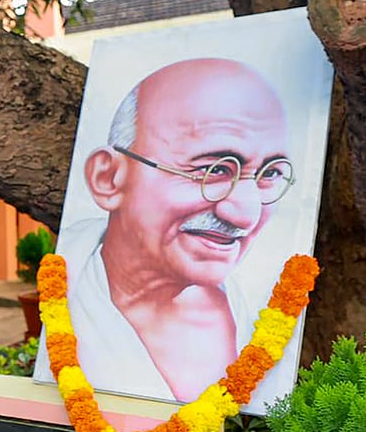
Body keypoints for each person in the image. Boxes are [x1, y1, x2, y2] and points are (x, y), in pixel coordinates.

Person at [36, 58, 295, 405]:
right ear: (108, 178)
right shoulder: (70, 294)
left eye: (270, 174)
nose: (246, 214)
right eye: (212, 169)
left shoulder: (256, 303)